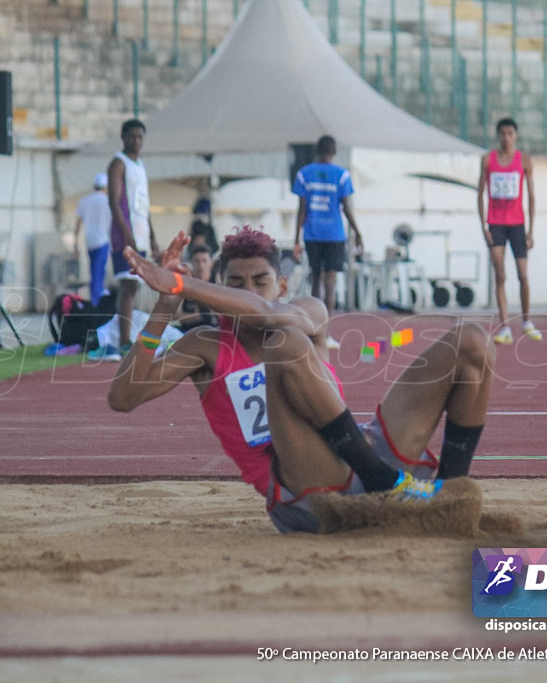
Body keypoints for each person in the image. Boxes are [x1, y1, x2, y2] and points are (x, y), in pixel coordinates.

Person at [108, 226, 495, 534]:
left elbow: (266, 313)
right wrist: (165, 304)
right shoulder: (205, 346)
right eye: (234, 285)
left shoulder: (308, 309)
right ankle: (383, 480)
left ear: (282, 286)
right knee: (286, 343)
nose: (248, 291)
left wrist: (182, 284)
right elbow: (123, 398)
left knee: (473, 340)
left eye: (260, 280)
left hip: (363, 454)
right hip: (307, 490)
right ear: (220, 289)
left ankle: (452, 494)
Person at [96, 118, 160, 361]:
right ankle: (124, 340)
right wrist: (127, 235)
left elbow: (144, 204)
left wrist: (152, 236)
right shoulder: (118, 164)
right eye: (131, 136)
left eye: (140, 137)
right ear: (122, 137)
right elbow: (114, 202)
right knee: (128, 286)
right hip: (125, 233)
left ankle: (127, 336)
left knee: (136, 286)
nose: (136, 141)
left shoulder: (140, 165)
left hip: (141, 232)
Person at [292, 135, 363, 342]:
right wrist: (358, 232)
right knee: (330, 282)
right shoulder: (341, 175)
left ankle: (313, 328)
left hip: (312, 233)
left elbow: (301, 209)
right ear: (333, 152)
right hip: (334, 234)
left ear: (317, 150)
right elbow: (347, 207)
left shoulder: (304, 174)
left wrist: (296, 238)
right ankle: (326, 333)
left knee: (316, 279)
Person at [478, 118, 540, 344]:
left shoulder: (524, 161)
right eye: (503, 133)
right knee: (500, 275)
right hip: (495, 224)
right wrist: (484, 226)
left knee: (523, 274)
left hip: (517, 224)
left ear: (516, 135)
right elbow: (480, 194)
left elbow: (531, 196)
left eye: (510, 133)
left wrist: (531, 230)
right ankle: (504, 327)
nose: (507, 137)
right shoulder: (488, 160)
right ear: (498, 135)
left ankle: (526, 321)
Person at [74, 172, 112, 307]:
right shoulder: (108, 200)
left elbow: (78, 224)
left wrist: (75, 244)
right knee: (99, 271)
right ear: (106, 187)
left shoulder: (84, 201)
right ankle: (96, 302)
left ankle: (96, 298)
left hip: (89, 241)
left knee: (94, 270)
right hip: (103, 240)